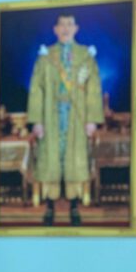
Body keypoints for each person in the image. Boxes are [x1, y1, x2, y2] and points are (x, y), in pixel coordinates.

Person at [27, 12, 103, 227]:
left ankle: (74, 206)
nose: (66, 29)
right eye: (62, 25)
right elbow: (36, 89)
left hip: (76, 117)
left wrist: (92, 119)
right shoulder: (46, 56)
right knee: (52, 159)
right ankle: (50, 207)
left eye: (70, 25)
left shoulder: (85, 56)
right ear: (55, 29)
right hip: (51, 115)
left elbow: (94, 88)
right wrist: (37, 120)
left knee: (74, 160)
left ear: (76, 29)